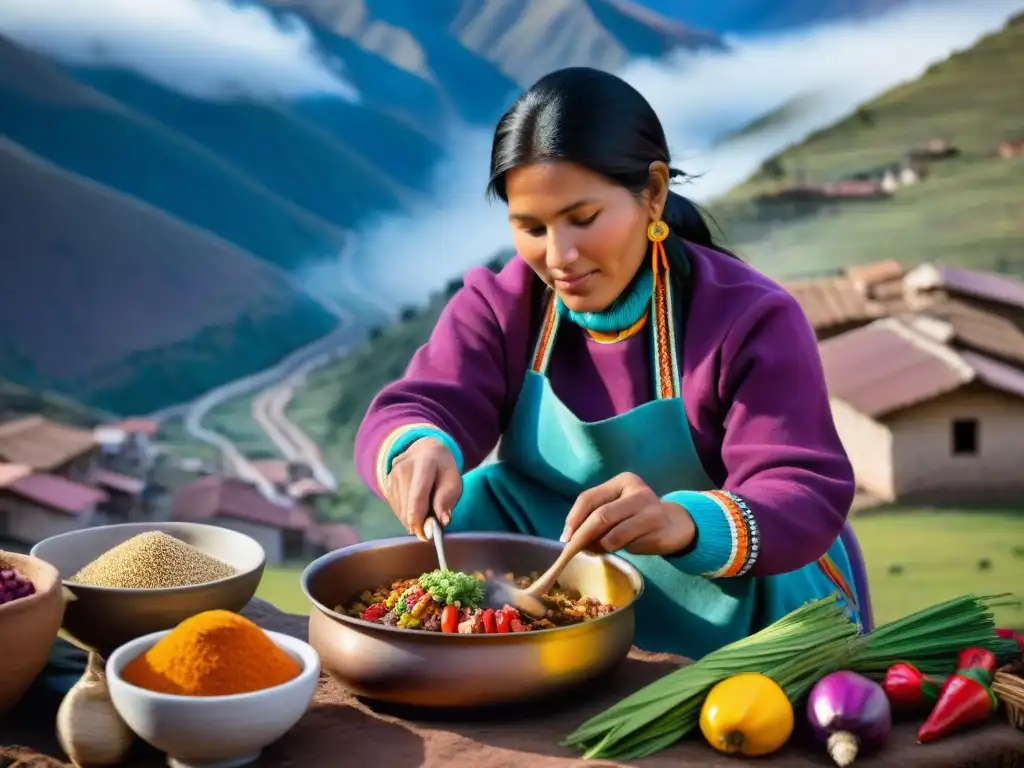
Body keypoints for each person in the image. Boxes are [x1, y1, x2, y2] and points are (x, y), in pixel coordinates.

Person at [354, 67, 872, 658]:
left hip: (726, 582)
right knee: (474, 495)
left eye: (583, 219)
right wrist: (416, 447)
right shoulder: (504, 304)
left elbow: (802, 487)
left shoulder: (749, 318)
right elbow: (421, 401)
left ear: (652, 192)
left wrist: (684, 523)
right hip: (551, 549)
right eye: (531, 227)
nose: (559, 257)